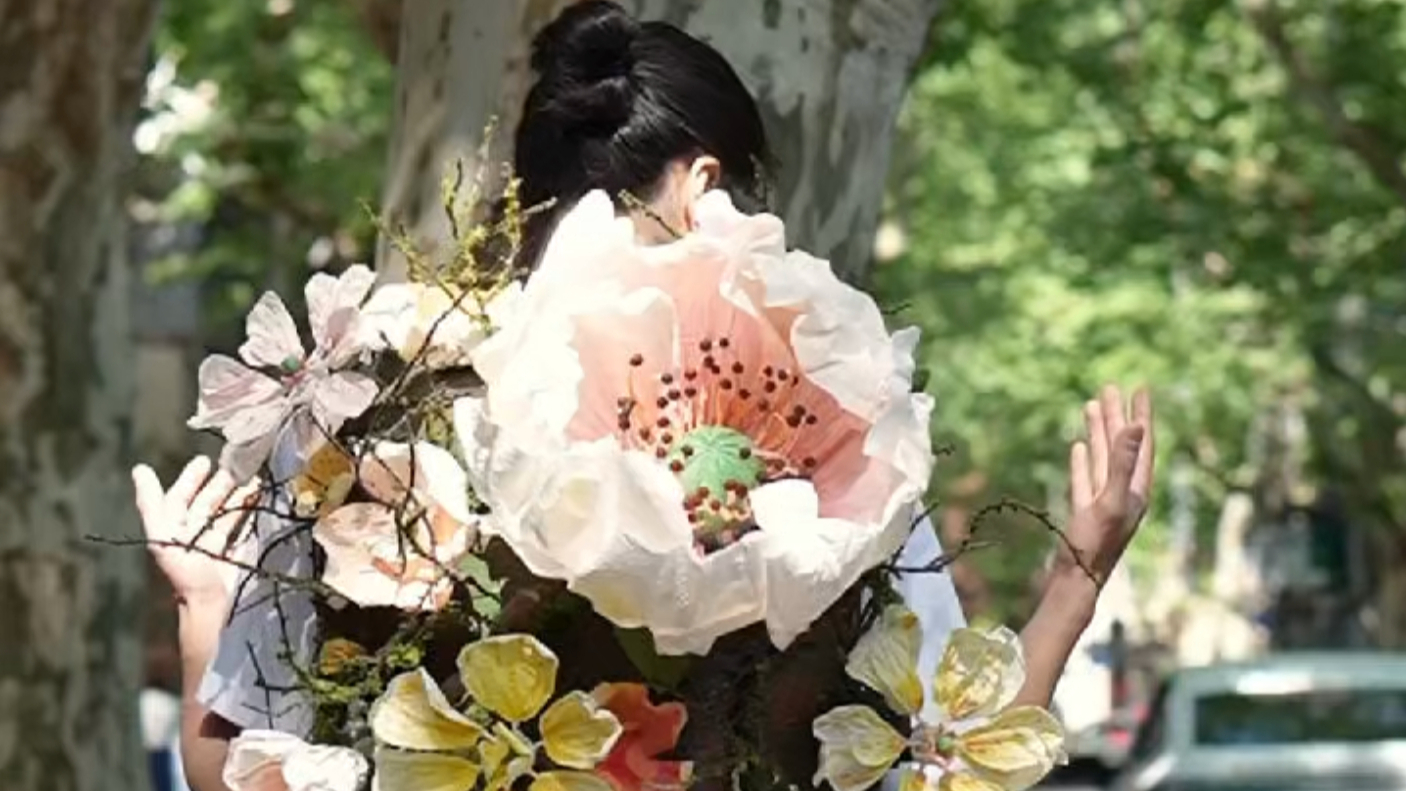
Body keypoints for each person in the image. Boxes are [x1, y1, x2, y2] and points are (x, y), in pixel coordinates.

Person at [133, 3, 1155, 790]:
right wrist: (1078, 574)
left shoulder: (370, 408)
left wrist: (205, 607)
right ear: (703, 183)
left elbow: (235, 773)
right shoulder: (830, 449)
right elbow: (947, 767)